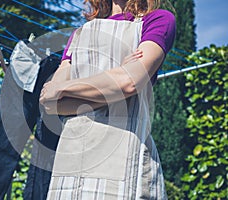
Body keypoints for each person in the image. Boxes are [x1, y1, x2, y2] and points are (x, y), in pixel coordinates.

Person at [40, 0, 176, 199]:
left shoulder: (158, 19)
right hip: (73, 153)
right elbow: (51, 104)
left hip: (123, 148)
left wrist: (64, 88)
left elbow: (129, 82)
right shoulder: (79, 34)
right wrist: (115, 83)